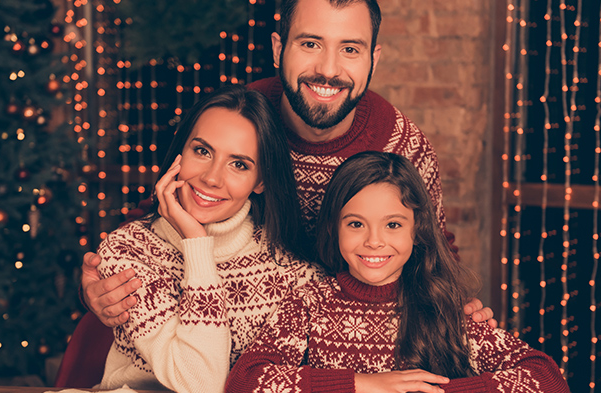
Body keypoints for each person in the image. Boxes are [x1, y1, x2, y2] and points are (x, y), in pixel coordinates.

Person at [80, 0, 495, 329]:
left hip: (330, 338)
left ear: (374, 57)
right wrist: (99, 286)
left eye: (350, 49)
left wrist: (459, 309)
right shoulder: (241, 118)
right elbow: (161, 209)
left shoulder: (402, 143)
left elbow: (433, 249)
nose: (329, 70)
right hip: (207, 326)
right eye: (310, 44)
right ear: (279, 47)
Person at [224, 152, 571, 393]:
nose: (374, 241)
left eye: (392, 225)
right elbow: (243, 385)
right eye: (356, 224)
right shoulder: (310, 303)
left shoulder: (443, 307)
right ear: (333, 227)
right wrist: (361, 384)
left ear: (416, 229)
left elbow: (549, 382)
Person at [95, 85, 326, 393]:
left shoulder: (294, 274)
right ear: (180, 153)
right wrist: (197, 244)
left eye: (239, 164)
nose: (212, 178)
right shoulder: (129, 250)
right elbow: (202, 384)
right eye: (202, 151)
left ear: (261, 181)